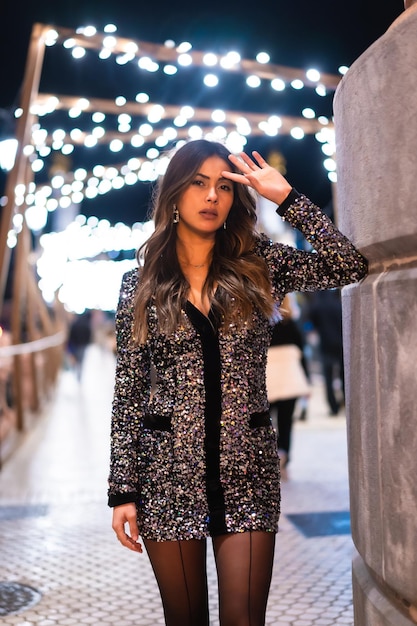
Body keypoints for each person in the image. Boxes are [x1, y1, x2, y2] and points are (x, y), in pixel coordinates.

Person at [108, 139, 367, 626]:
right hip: (167, 474)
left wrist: (288, 200)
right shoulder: (139, 283)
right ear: (174, 194)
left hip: (247, 470)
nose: (211, 197)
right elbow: (128, 391)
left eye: (224, 186)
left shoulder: (259, 263)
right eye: (199, 184)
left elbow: (347, 265)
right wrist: (123, 489)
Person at [267, 293, 311, 479]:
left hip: (267, 381)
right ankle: (284, 454)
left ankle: (268, 459)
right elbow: (302, 356)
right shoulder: (291, 325)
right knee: (286, 423)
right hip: (290, 379)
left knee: (265, 423)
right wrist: (306, 382)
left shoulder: (263, 326)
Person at [308, 288, 345, 415]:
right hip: (341, 344)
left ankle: (333, 407)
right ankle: (345, 401)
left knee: (328, 378)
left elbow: (310, 325)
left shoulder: (317, 306)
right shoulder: (338, 304)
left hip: (325, 345)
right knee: (343, 375)